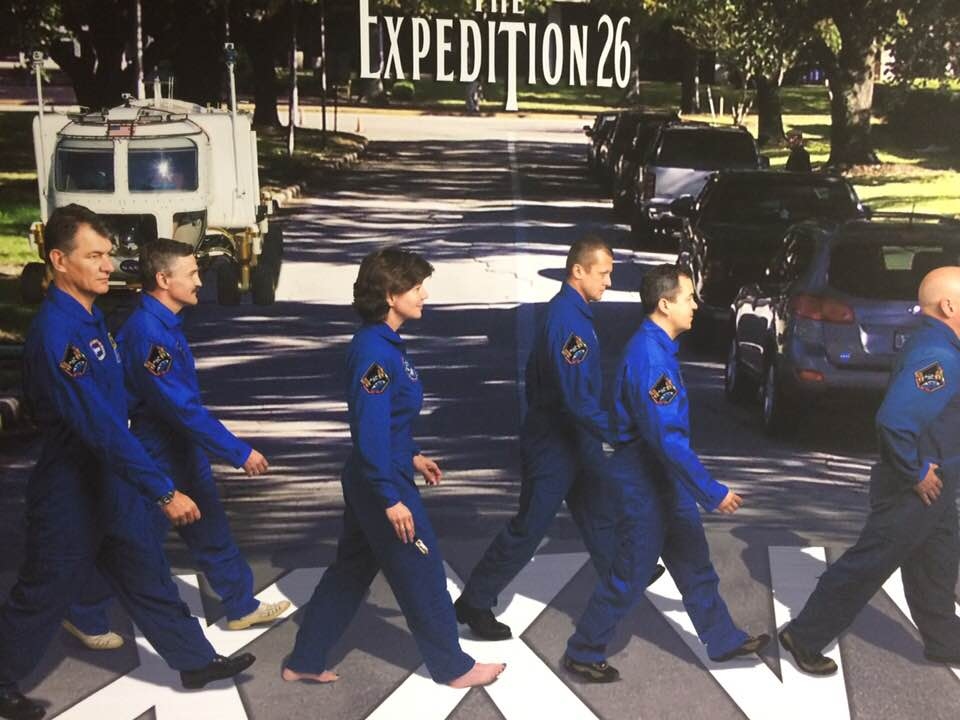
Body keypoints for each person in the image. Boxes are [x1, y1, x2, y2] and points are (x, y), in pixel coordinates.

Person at [0, 205, 254, 720]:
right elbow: (100, 426)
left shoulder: (91, 319)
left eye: (108, 254)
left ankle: (195, 661)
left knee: (145, 572)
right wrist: (163, 490)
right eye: (93, 256)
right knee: (42, 595)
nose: (107, 265)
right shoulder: (58, 333)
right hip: (70, 492)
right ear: (58, 260)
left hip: (108, 482)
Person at [282, 248, 505, 688]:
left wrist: (413, 454)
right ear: (390, 294)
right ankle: (453, 667)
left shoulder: (384, 345)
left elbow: (389, 423)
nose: (425, 295)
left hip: (381, 471)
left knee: (350, 572)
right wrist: (389, 497)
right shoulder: (374, 354)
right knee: (424, 572)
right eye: (416, 287)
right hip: (380, 481)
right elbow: (368, 431)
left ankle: (305, 659)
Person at [62, 240, 289, 651]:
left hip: (178, 445)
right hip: (155, 449)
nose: (200, 281)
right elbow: (180, 408)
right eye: (192, 274)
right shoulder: (148, 334)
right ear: (164, 280)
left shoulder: (164, 323)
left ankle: (240, 604)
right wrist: (239, 452)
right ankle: (83, 610)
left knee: (209, 525)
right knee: (135, 540)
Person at [564, 264, 768, 682]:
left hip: (663, 478)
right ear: (664, 304)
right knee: (630, 574)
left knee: (694, 564)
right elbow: (666, 438)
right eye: (688, 298)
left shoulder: (658, 350)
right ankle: (583, 650)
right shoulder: (651, 359)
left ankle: (723, 638)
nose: (695, 305)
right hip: (643, 481)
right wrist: (712, 492)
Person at [454, 235, 662, 641]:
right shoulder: (568, 323)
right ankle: (474, 602)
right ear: (578, 271)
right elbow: (577, 398)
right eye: (603, 274)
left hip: (575, 438)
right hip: (554, 444)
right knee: (530, 527)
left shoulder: (575, 314)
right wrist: (619, 433)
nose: (609, 282)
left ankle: (625, 570)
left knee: (599, 507)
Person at [780, 266, 960, 675]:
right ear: (949, 306)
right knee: (868, 565)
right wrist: (915, 472)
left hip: (939, 481)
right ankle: (804, 636)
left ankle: (945, 640)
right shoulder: (939, 357)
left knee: (937, 561)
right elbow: (894, 421)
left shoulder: (938, 345)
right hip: (916, 485)